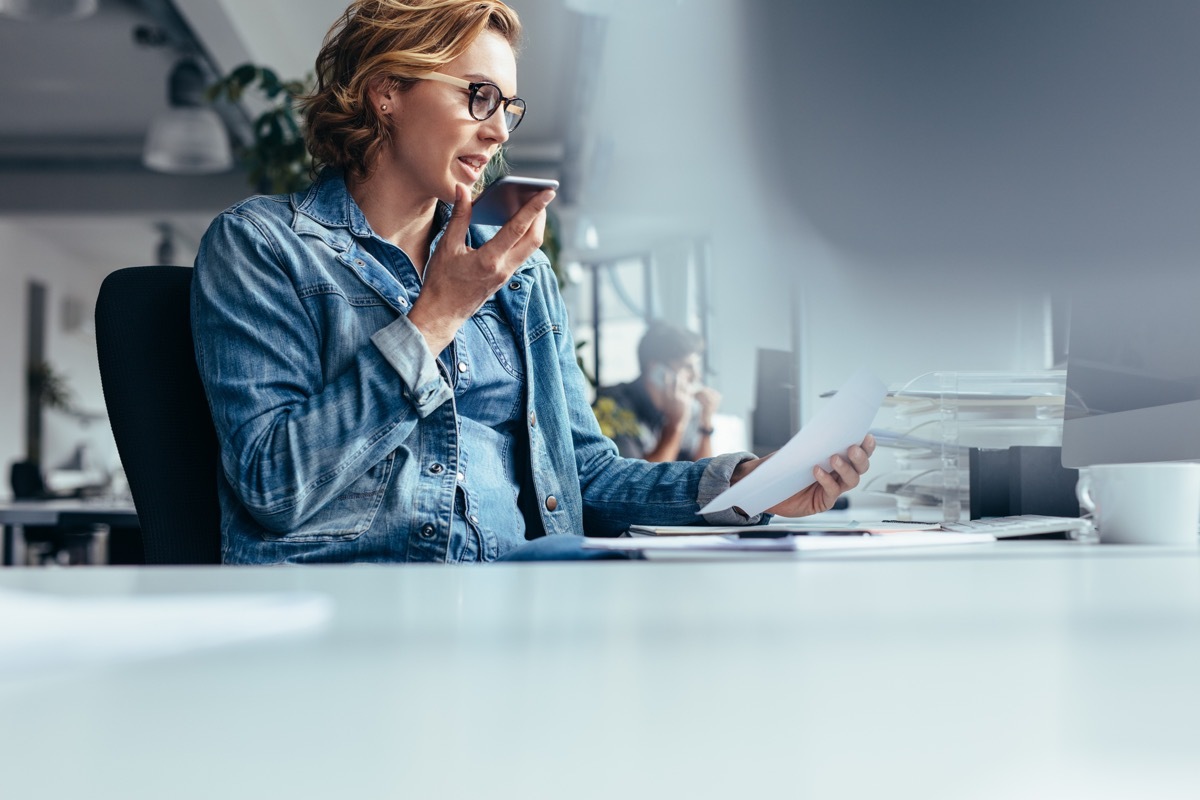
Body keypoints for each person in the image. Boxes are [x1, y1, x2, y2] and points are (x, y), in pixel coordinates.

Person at [191, 0, 875, 564]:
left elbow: (587, 477)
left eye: (507, 107)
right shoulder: (263, 246)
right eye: (478, 96)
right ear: (387, 90)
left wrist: (750, 487)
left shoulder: (518, 274)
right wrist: (435, 318)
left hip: (518, 606)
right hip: (348, 616)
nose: (497, 132)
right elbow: (273, 484)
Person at [593, 321, 720, 462]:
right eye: (686, 367)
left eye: (696, 367)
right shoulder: (612, 405)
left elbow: (705, 472)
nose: (696, 376)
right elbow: (637, 476)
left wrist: (706, 424)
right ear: (657, 371)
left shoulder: (686, 406)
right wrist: (675, 426)